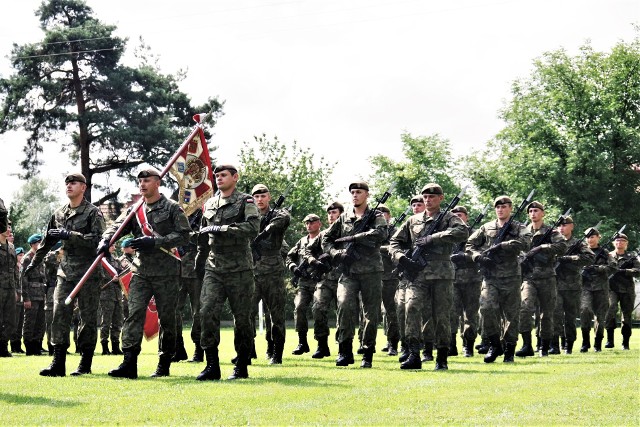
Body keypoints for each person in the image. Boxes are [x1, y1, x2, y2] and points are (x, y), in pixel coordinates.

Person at [102, 167, 190, 379]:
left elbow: (184, 235)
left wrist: (156, 241)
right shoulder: (135, 210)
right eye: (139, 181)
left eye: (147, 180)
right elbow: (115, 227)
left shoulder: (171, 208)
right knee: (134, 314)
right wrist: (105, 239)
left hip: (166, 271)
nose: (142, 184)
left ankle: (164, 363)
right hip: (141, 271)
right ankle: (129, 362)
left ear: (157, 182)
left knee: (167, 319)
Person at [24, 173, 106, 376]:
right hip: (66, 271)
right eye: (67, 183)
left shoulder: (93, 213)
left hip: (88, 272)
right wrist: (34, 263)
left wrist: (71, 235)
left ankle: (84, 364)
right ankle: (57, 363)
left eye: (74, 183)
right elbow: (46, 242)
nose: (69, 185)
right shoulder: (59, 213)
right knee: (59, 314)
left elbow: (99, 241)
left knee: (87, 317)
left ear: (83, 188)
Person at [389, 183, 468, 370]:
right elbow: (394, 241)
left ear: (441, 198)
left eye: (432, 196)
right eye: (425, 197)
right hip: (417, 274)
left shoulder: (449, 218)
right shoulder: (413, 220)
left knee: (441, 315)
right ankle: (414, 354)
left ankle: (441, 357)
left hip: (441, 274)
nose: (428, 200)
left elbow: (462, 232)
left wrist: (434, 238)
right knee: (412, 308)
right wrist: (401, 258)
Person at [195, 164, 259, 381]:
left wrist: (223, 229)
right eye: (217, 176)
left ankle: (241, 365)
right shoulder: (210, 203)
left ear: (235, 177)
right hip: (214, 267)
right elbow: (204, 235)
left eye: (223, 175)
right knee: (207, 312)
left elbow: (252, 228)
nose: (219, 178)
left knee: (242, 319)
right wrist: (199, 260)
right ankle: (212, 365)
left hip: (239, 268)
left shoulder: (246, 201)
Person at [322, 181, 387, 368]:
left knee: (371, 313)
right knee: (344, 306)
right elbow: (327, 238)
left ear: (367, 194)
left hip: (371, 271)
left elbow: (381, 233)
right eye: (352, 192)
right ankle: (345, 351)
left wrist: (355, 238)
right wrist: (336, 253)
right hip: (348, 271)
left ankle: (367, 352)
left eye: (359, 192)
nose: (355, 195)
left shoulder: (376, 216)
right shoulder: (344, 218)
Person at [467, 196, 531, 363]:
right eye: (498, 207)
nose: (500, 209)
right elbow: (469, 244)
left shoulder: (519, 227)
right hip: (490, 276)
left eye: (504, 206)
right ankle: (495, 345)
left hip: (511, 276)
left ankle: (509, 349)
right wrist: (478, 257)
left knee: (511, 314)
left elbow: (526, 243)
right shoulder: (486, 227)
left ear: (510, 208)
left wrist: (505, 245)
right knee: (487, 308)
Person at [516, 202, 567, 357]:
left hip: (547, 277)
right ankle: (527, 345)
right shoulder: (522, 231)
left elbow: (562, 246)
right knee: (524, 309)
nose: (533, 214)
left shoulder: (551, 232)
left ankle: (544, 347)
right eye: (530, 211)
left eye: (536, 211)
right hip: (528, 277)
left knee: (546, 314)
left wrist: (543, 247)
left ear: (542, 213)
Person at [250, 184, 290, 364]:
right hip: (251, 271)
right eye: (256, 196)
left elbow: (284, 219)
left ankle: (277, 352)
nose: (260, 199)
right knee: (246, 313)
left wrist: (265, 229)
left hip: (273, 271)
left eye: (263, 195)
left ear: (269, 197)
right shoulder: (248, 216)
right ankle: (247, 350)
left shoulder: (278, 214)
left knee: (276, 314)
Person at [304, 202, 343, 359]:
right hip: (325, 280)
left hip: (343, 278)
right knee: (318, 308)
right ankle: (322, 345)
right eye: (329, 213)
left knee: (344, 312)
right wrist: (314, 261)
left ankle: (343, 346)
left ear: (341, 214)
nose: (331, 215)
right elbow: (306, 251)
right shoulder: (322, 235)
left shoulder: (347, 231)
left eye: (334, 212)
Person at [553, 217, 594, 354]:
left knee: (570, 318)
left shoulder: (578, 243)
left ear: (572, 226)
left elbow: (589, 258)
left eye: (565, 225)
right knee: (555, 314)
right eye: (559, 226)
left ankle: (569, 345)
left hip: (572, 286)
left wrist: (570, 258)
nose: (561, 228)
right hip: (554, 283)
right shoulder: (552, 241)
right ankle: (555, 345)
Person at [449, 206, 483, 357]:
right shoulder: (448, 233)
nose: (458, 217)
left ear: (466, 217)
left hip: (472, 279)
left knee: (470, 314)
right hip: (452, 279)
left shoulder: (475, 233)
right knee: (451, 313)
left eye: (461, 215)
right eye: (455, 215)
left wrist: (465, 256)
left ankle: (468, 345)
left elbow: (482, 252)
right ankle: (450, 345)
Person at [286, 214, 322, 357]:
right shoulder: (302, 241)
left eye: (312, 222)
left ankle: (321, 343)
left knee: (318, 309)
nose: (309, 225)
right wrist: (293, 267)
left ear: (319, 223)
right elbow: (289, 256)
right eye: (306, 223)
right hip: (304, 282)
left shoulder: (324, 239)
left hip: (320, 280)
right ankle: (302, 342)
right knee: (299, 307)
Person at [173, 211, 204, 363]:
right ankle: (178, 349)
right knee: (173, 311)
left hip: (195, 270)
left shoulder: (203, 216)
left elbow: (205, 239)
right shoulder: (176, 216)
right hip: (176, 270)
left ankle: (199, 349)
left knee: (198, 312)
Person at [579, 228, 615, 353]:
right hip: (585, 287)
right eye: (588, 237)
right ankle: (585, 342)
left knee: (600, 316)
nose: (590, 239)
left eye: (593, 236)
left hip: (601, 287)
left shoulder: (604, 252)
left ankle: (598, 343)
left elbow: (613, 266)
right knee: (585, 310)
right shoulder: (581, 251)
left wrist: (598, 268)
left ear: (598, 237)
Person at [604, 233, 639, 350]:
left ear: (626, 243)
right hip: (611, 288)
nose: (620, 242)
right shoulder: (608, 255)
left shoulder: (632, 256)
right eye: (617, 240)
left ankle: (625, 342)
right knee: (611, 309)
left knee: (627, 316)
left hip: (627, 289)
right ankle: (610, 340)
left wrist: (625, 271)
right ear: (614, 243)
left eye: (623, 241)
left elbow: (638, 271)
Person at [378, 205, 400, 356]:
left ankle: (393, 343)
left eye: (384, 213)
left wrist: (378, 248)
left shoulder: (395, 231)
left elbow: (396, 247)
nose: (381, 216)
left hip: (390, 277)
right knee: (370, 312)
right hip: (372, 275)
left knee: (392, 312)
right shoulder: (371, 230)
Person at [21, 234, 47, 356]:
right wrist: (26, 298)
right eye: (38, 243)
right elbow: (23, 279)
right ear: (32, 244)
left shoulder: (40, 257)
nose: (40, 245)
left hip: (41, 294)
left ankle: (37, 345)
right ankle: (29, 346)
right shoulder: (27, 258)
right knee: (30, 322)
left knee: (40, 322)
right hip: (31, 294)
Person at [98, 244, 124, 356]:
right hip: (106, 294)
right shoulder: (100, 260)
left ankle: (115, 346)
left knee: (118, 322)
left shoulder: (116, 261)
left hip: (117, 294)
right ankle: (105, 346)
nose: (114, 247)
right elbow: (99, 276)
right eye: (112, 245)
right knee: (106, 322)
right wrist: (110, 279)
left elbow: (120, 273)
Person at [0, 223, 18, 357]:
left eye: (10, 227)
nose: (8, 229)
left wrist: (17, 290)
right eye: (6, 226)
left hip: (10, 288)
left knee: (10, 319)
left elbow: (15, 271)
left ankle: (3, 346)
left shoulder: (11, 247)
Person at [43, 244, 62, 355]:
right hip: (52, 291)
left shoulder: (64, 260)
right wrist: (57, 251)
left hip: (62, 290)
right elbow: (48, 259)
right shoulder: (51, 258)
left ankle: (59, 345)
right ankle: (51, 347)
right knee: (51, 320)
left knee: (61, 320)